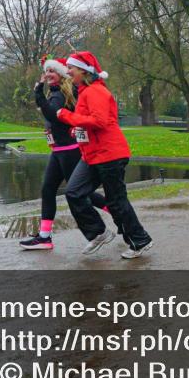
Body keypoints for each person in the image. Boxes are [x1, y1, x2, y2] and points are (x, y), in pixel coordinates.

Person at [56, 51, 153, 259]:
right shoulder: (85, 92)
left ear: (83, 70)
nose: (68, 71)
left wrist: (68, 117)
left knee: (117, 201)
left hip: (110, 154)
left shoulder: (96, 91)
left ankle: (139, 240)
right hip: (92, 154)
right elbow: (89, 121)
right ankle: (98, 233)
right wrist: (77, 129)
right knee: (73, 192)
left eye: (71, 68)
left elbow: (99, 121)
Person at [19, 56, 110, 250]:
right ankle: (44, 236)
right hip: (59, 150)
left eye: (52, 71)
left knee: (79, 193)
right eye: (47, 71)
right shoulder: (55, 93)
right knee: (48, 189)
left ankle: (116, 211)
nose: (48, 75)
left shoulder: (60, 93)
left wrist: (38, 92)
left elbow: (52, 113)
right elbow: (53, 118)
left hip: (70, 150)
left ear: (61, 74)